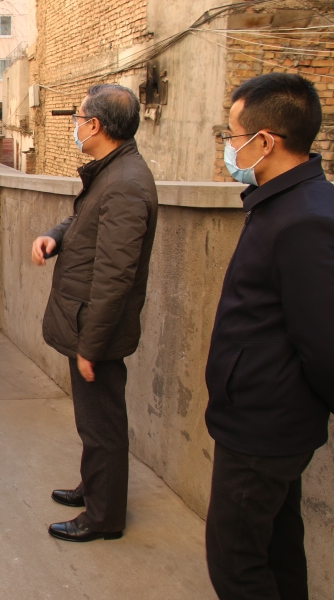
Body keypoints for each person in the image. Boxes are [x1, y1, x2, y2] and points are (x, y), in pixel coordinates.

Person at [204, 73, 333, 600]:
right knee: (278, 549)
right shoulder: (280, 202)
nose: (228, 147)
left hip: (265, 428)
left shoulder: (306, 218)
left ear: (265, 141)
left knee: (236, 564)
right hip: (260, 417)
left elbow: (323, 343)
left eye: (232, 135)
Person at [31, 84, 158, 542]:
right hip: (86, 322)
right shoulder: (112, 173)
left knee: (102, 424)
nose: (75, 126)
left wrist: (91, 345)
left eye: (78, 118)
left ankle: (103, 517)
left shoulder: (125, 183)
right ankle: (94, 487)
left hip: (95, 329)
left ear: (96, 125)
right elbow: (85, 222)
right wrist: (55, 235)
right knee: (94, 421)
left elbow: (114, 277)